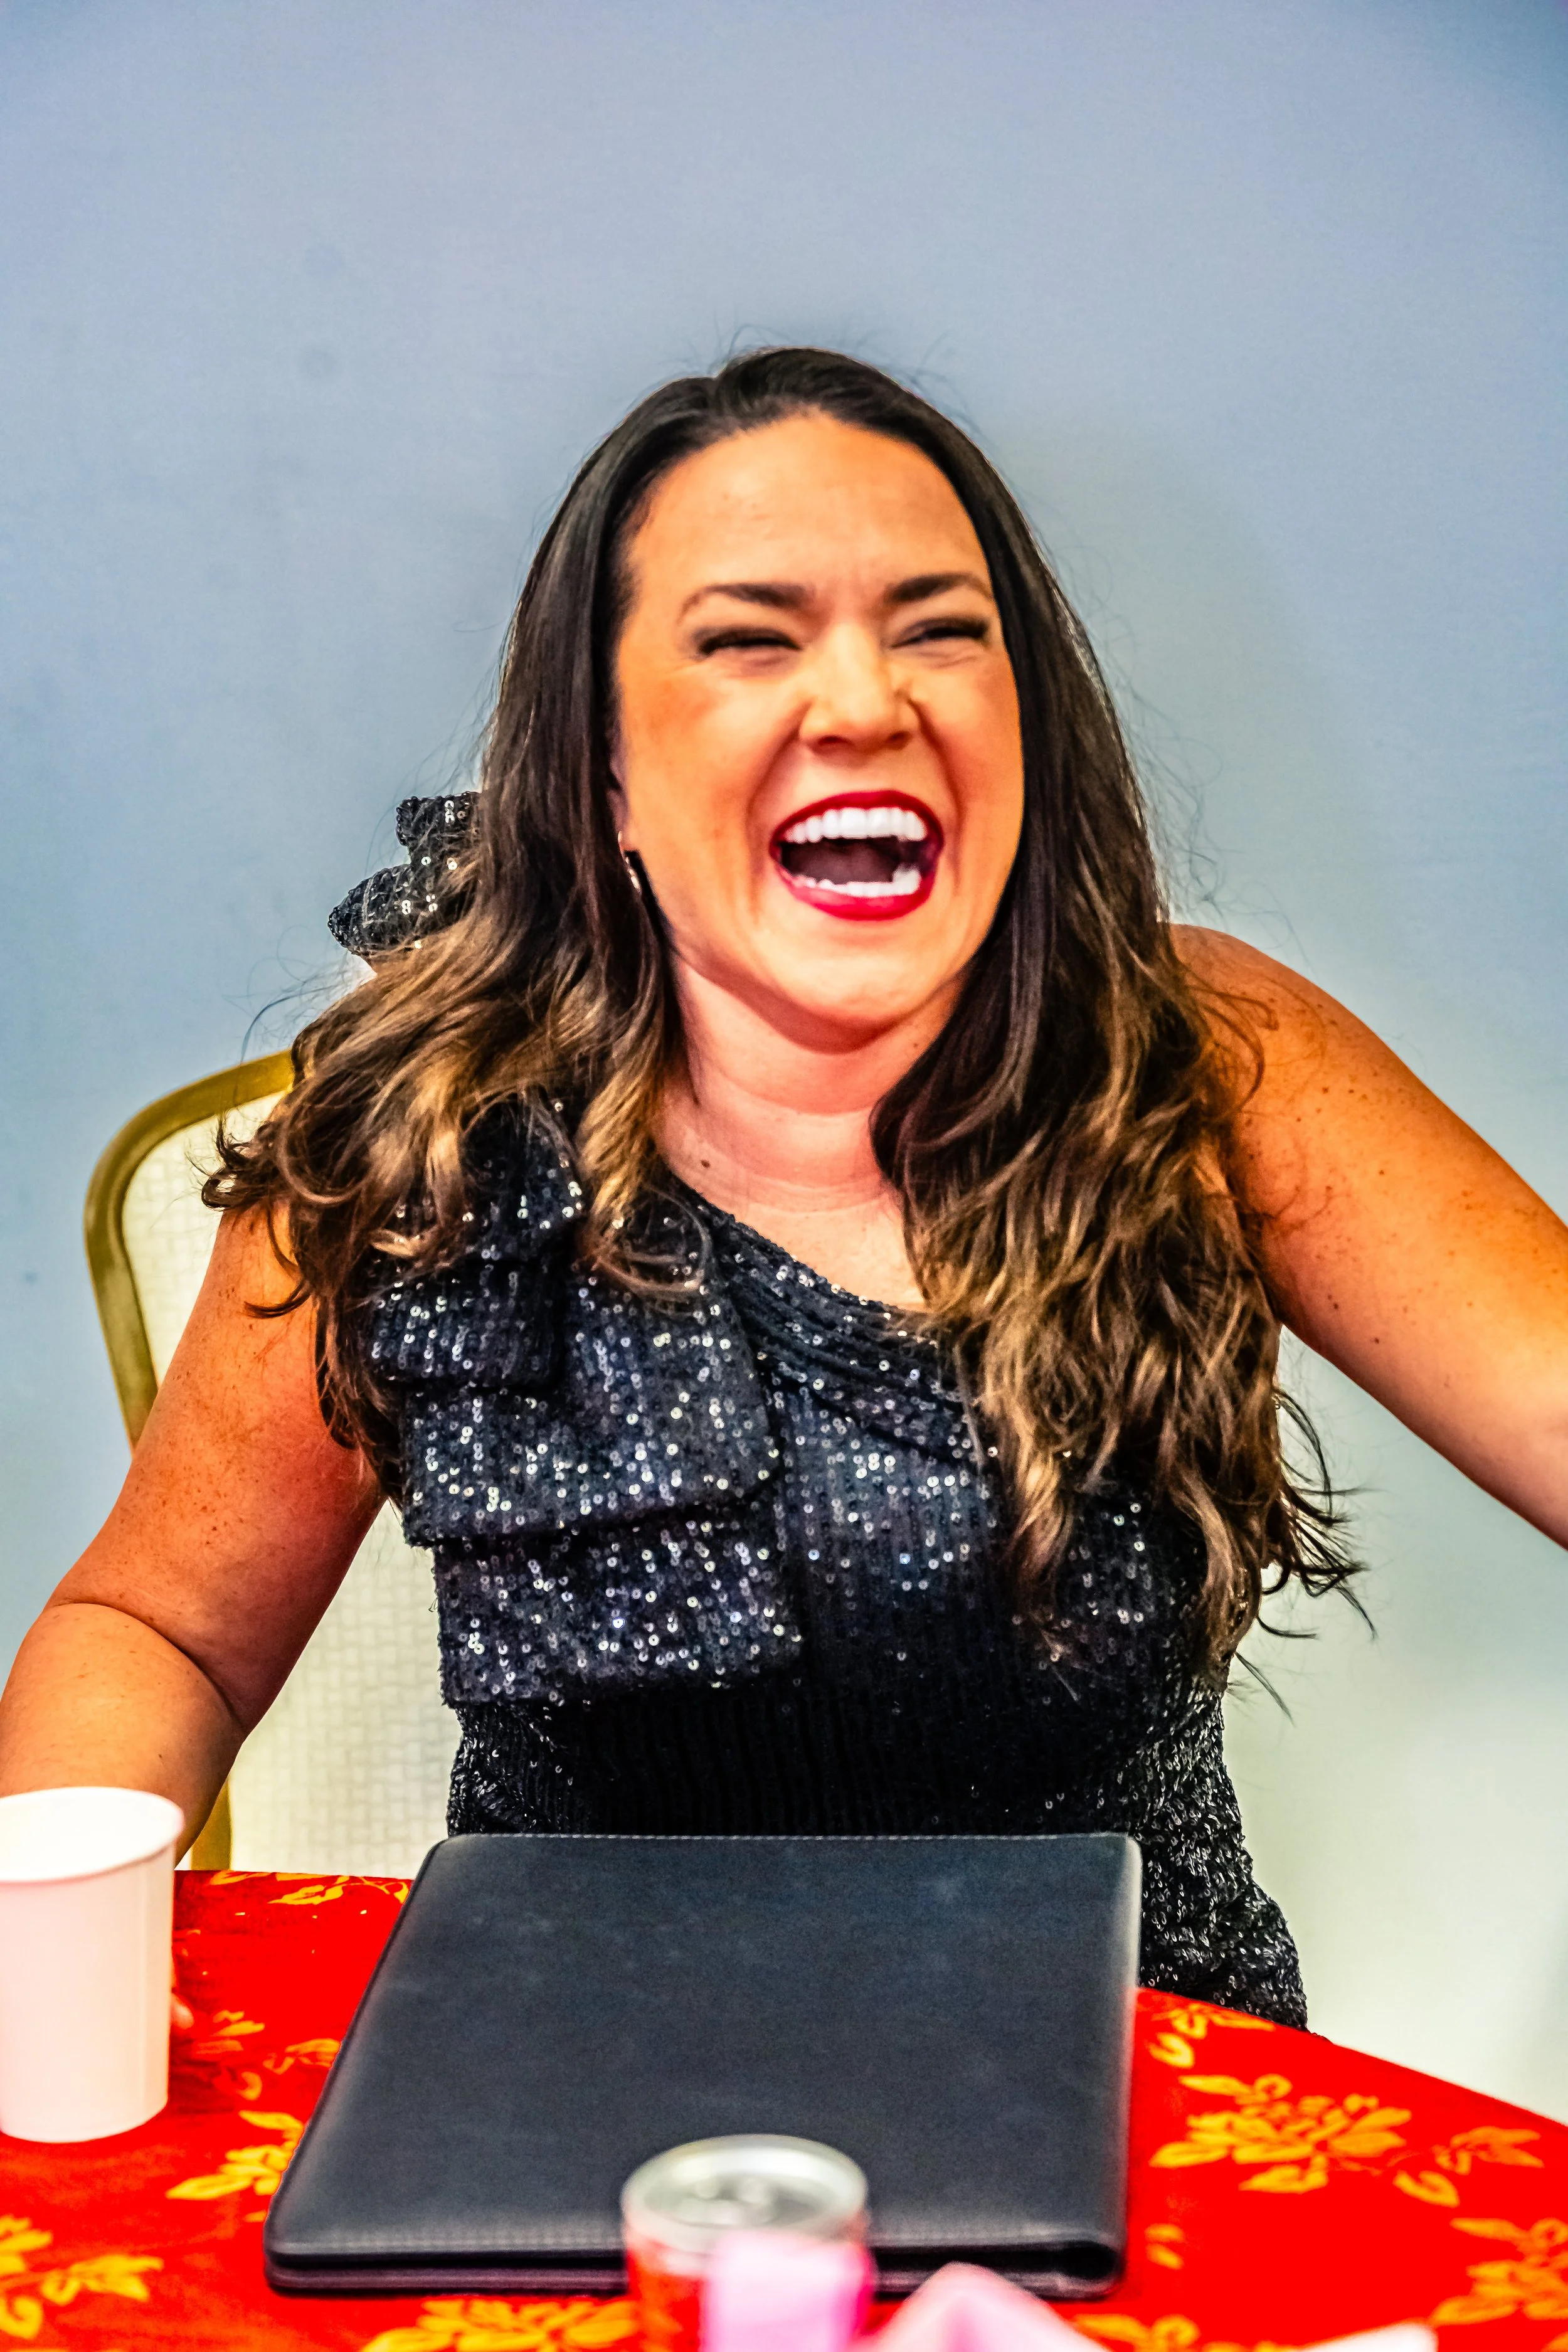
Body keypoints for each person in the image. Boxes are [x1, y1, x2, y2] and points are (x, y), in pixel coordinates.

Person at [3, 348, 1565, 2025]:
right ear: (601, 774)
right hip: (565, 2111)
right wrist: (55, 1963)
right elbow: (156, 1629)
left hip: (1148, 2119)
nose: (863, 701)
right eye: (749, 638)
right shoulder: (416, 1137)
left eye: (936, 629)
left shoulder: (1208, 1059)